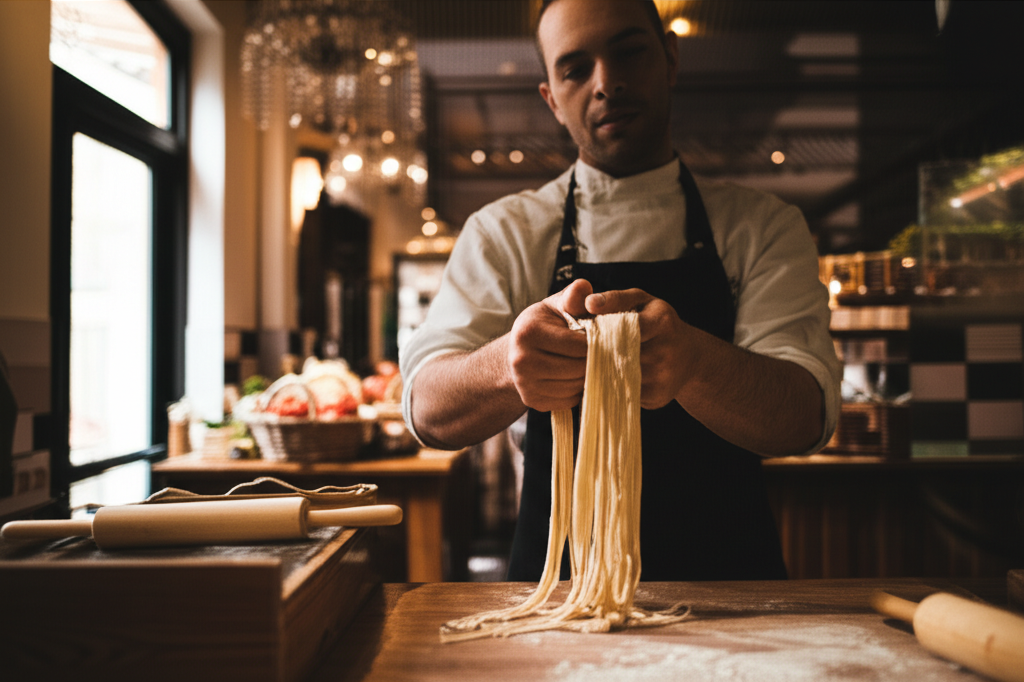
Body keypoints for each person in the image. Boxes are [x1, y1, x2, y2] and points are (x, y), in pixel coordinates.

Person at [400, 0, 842, 581]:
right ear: (551, 99)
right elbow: (427, 408)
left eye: (629, 51)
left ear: (670, 59)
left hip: (732, 588)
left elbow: (806, 415)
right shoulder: (503, 234)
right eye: (575, 68)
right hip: (558, 590)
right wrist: (509, 366)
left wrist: (695, 364)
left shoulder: (761, 227)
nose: (606, 83)